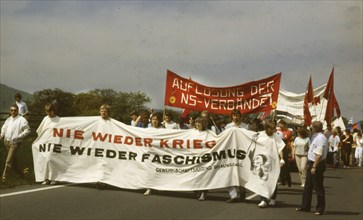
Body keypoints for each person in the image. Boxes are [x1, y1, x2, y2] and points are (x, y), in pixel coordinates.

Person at [296, 121, 328, 215]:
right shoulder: (315, 136)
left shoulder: (321, 138)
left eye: (311, 127)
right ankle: (305, 206)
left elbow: (318, 154)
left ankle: (320, 208)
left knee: (318, 186)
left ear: (314, 128)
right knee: (308, 186)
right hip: (312, 162)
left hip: (317, 164)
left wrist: (314, 166)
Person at [257, 119, 285, 208]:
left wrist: (282, 158)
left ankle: (272, 198)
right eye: (271, 129)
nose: (272, 131)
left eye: (273, 129)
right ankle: (263, 200)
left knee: (273, 180)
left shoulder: (276, 136)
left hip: (273, 162)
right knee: (262, 180)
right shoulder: (260, 135)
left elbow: (280, 148)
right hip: (262, 163)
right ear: (266, 128)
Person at [0, 104, 31, 182]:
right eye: (11, 110)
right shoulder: (8, 120)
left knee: (8, 160)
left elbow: (28, 130)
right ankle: (20, 175)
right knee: (13, 160)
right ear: (9, 111)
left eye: (15, 110)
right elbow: (3, 129)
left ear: (17, 111)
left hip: (15, 142)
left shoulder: (22, 119)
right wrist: (1, 135)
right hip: (6, 142)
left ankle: (4, 178)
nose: (13, 112)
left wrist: (19, 136)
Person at [224, 109, 249, 203]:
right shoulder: (228, 127)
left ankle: (242, 191)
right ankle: (233, 195)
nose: (235, 117)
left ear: (240, 116)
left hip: (241, 154)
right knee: (229, 174)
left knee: (241, 174)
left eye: (237, 115)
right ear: (232, 117)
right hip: (230, 153)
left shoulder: (245, 127)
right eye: (233, 115)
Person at [36, 103, 60, 185]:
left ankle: (53, 178)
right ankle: (46, 178)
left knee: (51, 159)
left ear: (53, 111)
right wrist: (38, 140)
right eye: (47, 111)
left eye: (50, 111)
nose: (48, 113)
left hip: (55, 142)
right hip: (45, 143)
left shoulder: (58, 120)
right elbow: (40, 130)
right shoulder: (45, 119)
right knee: (45, 160)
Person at [144, 112, 165, 196]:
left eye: (156, 119)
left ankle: (156, 186)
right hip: (149, 153)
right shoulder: (147, 130)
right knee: (149, 171)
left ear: (159, 120)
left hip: (159, 154)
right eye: (153, 119)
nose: (154, 121)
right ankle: (148, 188)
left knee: (157, 171)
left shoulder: (163, 130)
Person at [194, 116, 209, 201]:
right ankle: (197, 190)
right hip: (194, 158)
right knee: (195, 176)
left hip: (204, 158)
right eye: (196, 122)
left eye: (199, 122)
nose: (198, 124)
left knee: (203, 176)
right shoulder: (191, 132)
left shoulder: (208, 133)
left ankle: (203, 192)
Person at [96, 104, 111, 189]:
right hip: (98, 146)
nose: (103, 112)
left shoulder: (111, 122)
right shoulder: (96, 121)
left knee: (105, 164)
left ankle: (104, 181)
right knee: (99, 164)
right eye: (102, 111)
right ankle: (99, 180)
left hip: (107, 147)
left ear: (108, 112)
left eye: (105, 111)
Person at [276, 119, 292, 187]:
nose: (280, 125)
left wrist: (290, 151)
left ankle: (288, 180)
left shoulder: (288, 132)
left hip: (285, 150)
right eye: (279, 124)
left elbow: (290, 142)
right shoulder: (277, 132)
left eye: (282, 124)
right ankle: (281, 180)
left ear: (284, 124)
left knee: (285, 166)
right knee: (279, 165)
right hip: (278, 149)